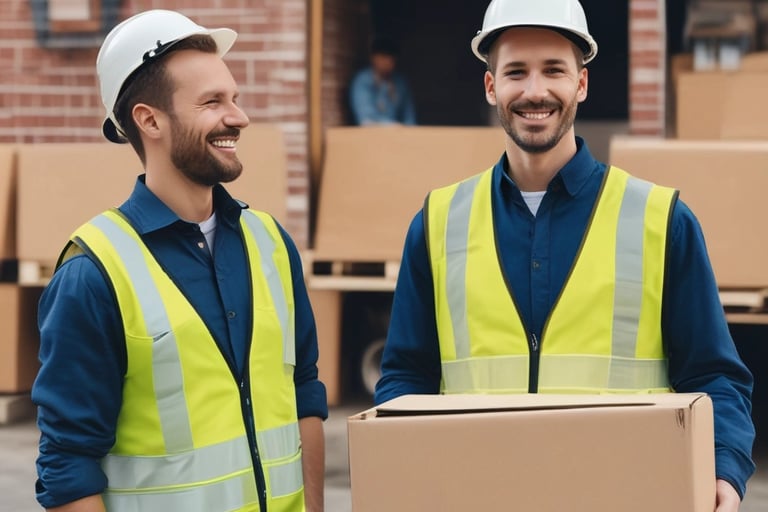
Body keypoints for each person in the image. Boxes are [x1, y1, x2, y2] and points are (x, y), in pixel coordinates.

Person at [374, 0, 755, 510]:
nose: (535, 91)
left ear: (581, 83)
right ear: (492, 87)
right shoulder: (439, 222)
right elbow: (405, 377)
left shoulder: (661, 219)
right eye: (515, 72)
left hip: (623, 497)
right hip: (482, 498)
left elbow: (714, 376)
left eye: (554, 69)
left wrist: (724, 472)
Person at [32, 9, 327, 512]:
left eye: (234, 98)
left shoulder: (271, 243)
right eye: (213, 102)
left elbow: (305, 394)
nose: (239, 117)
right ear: (150, 120)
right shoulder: (93, 274)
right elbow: (67, 465)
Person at [348, 36, 417, 126]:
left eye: (391, 59)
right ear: (373, 58)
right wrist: (393, 126)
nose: (387, 62)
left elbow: (409, 118)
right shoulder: (363, 81)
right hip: (370, 136)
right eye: (383, 57)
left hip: (398, 136)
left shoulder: (400, 82)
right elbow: (366, 119)